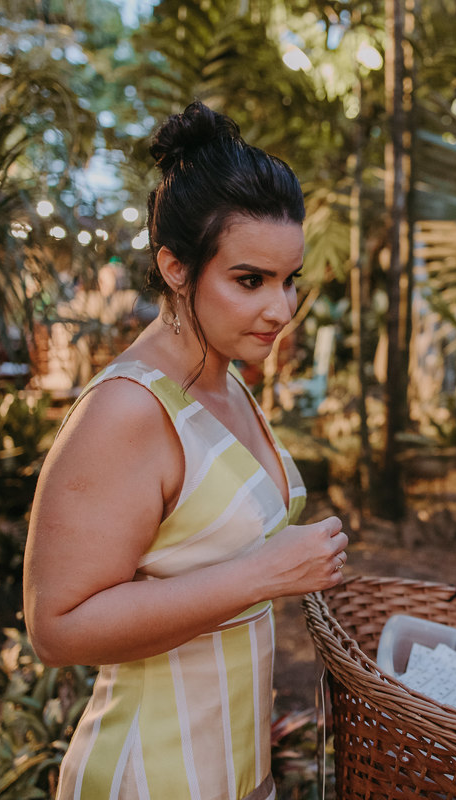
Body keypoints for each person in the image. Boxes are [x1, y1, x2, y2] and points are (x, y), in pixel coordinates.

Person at [24, 101, 349, 800]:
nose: (281, 309)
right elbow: (56, 629)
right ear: (175, 267)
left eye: (289, 280)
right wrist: (262, 573)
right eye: (250, 280)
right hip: (151, 774)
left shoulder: (226, 378)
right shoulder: (126, 412)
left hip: (237, 773)